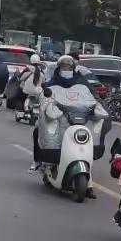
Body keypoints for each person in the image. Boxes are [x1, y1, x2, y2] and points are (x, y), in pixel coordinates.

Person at [31, 55, 98, 199]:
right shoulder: (52, 82)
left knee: (85, 146)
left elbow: (93, 97)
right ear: (59, 68)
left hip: (79, 120)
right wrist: (47, 105)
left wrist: (96, 107)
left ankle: (89, 183)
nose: (66, 69)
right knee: (38, 131)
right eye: (63, 67)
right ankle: (42, 163)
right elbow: (45, 96)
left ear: (73, 68)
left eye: (68, 67)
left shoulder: (82, 81)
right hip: (60, 118)